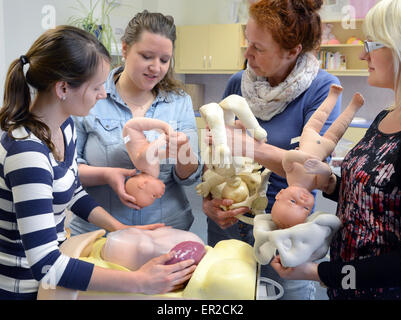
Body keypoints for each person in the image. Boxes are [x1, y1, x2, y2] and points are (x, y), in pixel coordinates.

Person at [0, 25, 195, 300]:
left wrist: (121, 228)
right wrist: (139, 281)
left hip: (51, 286)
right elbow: (46, 265)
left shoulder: (63, 127)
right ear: (63, 88)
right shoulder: (27, 154)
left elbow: (73, 191)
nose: (103, 94)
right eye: (96, 87)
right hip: (23, 289)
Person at [202, 0, 341, 300]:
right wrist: (209, 200)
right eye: (247, 42)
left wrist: (250, 147)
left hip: (286, 237)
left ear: (292, 52)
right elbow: (217, 153)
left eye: (258, 47)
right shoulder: (238, 83)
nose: (247, 54)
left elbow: (311, 173)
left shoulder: (322, 89)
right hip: (229, 225)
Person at [269, 0, 401, 300]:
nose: (363, 53)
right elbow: (372, 201)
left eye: (373, 43)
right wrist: (328, 182)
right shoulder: (385, 118)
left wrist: (318, 273)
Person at [68, 10, 202, 236]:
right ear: (125, 48)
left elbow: (190, 179)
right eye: (147, 56)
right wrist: (107, 176)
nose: (156, 67)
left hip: (166, 230)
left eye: (164, 60)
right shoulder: (91, 96)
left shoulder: (180, 102)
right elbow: (68, 170)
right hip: (100, 232)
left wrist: (184, 152)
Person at [270, 85, 364, 229]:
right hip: (326, 146)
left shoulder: (291, 175)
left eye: (293, 202)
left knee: (319, 116)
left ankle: (333, 95)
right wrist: (322, 168)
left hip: (308, 136)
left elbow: (288, 158)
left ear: (281, 193)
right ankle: (354, 106)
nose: (303, 200)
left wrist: (301, 157)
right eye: (305, 208)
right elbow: (326, 173)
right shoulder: (316, 185)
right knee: (339, 127)